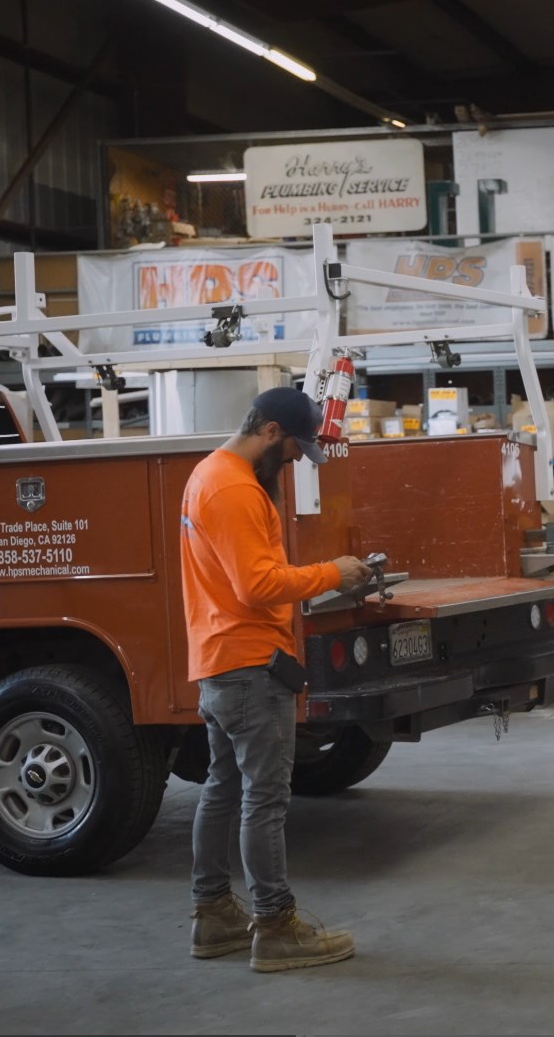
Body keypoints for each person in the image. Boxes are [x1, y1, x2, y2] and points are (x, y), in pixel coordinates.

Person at [181, 386, 374, 971]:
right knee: (264, 798)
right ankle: (275, 927)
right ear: (269, 431)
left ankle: (213, 915)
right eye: (293, 448)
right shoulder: (235, 488)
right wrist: (332, 574)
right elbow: (257, 585)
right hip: (249, 667)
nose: (293, 460)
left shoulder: (207, 475)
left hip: (221, 660)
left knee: (223, 787)